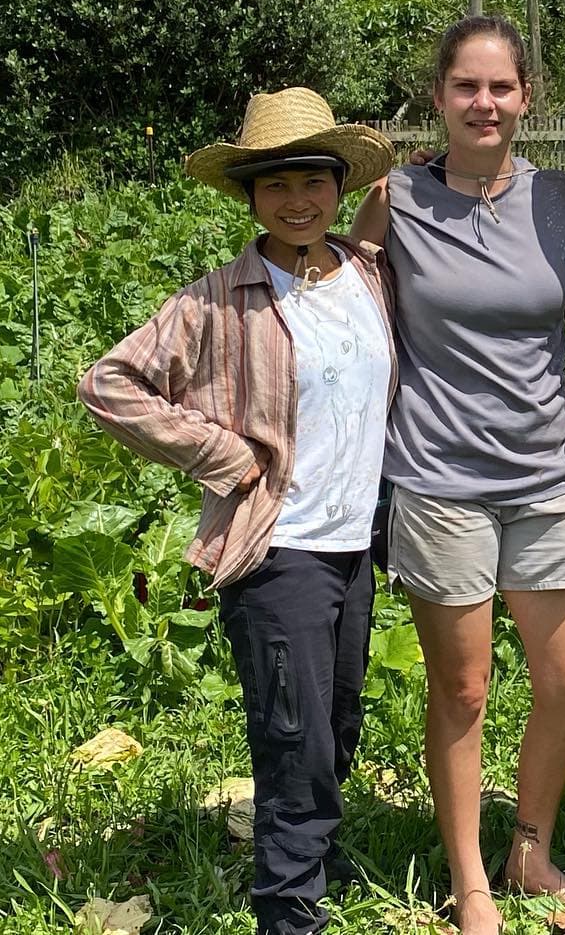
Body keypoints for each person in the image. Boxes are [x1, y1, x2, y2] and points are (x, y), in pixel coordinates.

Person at [79, 88, 398, 935]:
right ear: (250, 197)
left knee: (337, 719)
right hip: (278, 548)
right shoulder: (222, 298)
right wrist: (222, 454)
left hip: (356, 544)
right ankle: (288, 912)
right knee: (293, 736)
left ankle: (314, 864)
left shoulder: (367, 274)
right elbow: (109, 383)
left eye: (313, 181)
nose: (297, 200)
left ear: (338, 186)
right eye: (275, 185)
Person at [351, 15, 565, 935]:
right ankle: (471, 883)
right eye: (468, 86)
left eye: (502, 87)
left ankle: (530, 848)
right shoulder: (396, 199)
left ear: (527, 98)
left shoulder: (562, 199)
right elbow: (353, 312)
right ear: (440, 97)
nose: (485, 103)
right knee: (460, 689)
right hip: (439, 474)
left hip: (544, 474)